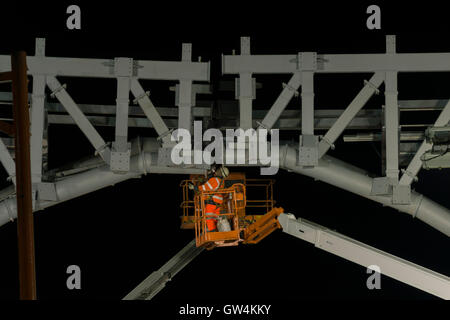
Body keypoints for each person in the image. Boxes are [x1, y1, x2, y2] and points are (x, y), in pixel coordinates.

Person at [189, 166, 229, 232]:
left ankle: (212, 232)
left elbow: (204, 188)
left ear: (220, 173)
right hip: (218, 203)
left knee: (208, 218)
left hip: (212, 203)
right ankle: (216, 231)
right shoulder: (221, 182)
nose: (217, 171)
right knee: (214, 218)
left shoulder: (214, 180)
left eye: (219, 170)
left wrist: (194, 187)